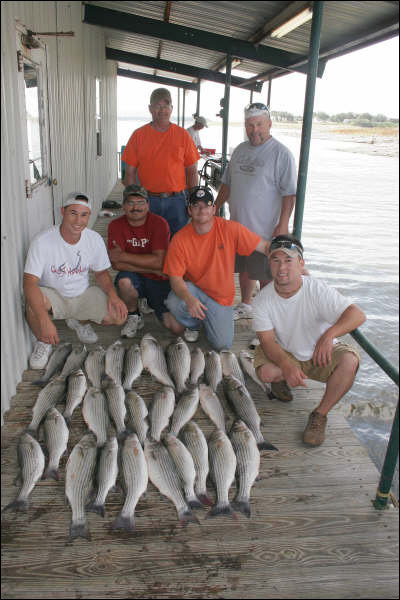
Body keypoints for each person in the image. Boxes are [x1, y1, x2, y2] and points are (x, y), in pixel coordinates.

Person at [252, 234, 366, 447]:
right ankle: (280, 381)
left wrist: (329, 334)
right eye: (276, 260)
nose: (282, 267)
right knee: (266, 373)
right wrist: (286, 365)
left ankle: (319, 415)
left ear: (301, 263)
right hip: (285, 351)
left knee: (350, 361)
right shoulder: (261, 300)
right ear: (269, 264)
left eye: (288, 260)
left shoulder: (317, 289)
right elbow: (267, 342)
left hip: (318, 353)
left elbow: (358, 315)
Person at [24, 192, 128, 368]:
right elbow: (29, 282)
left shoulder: (94, 239)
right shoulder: (42, 241)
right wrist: (44, 320)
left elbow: (101, 274)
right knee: (32, 304)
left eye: (84, 214)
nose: (78, 220)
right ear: (62, 211)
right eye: (73, 213)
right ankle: (43, 341)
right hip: (53, 295)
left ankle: (81, 322)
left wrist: (113, 295)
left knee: (119, 316)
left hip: (82, 294)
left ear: (89, 216)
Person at [215, 102, 297, 324]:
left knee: (266, 274)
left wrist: (283, 224)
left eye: (259, 124)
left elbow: (289, 194)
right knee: (243, 269)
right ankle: (246, 304)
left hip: (264, 230)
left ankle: (270, 316)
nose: (255, 130)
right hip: (237, 227)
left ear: (269, 124)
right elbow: (226, 184)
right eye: (250, 125)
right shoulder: (240, 150)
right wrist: (214, 207)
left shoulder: (281, 154)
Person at [162, 186, 271, 351]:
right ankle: (194, 324)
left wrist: (290, 256)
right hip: (196, 291)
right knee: (174, 300)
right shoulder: (179, 239)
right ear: (189, 210)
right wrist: (190, 300)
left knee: (222, 345)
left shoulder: (230, 228)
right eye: (196, 206)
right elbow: (175, 279)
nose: (201, 210)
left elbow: (264, 246)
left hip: (221, 298)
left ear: (214, 209)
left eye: (206, 205)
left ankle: (207, 319)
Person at [122, 87, 200, 237]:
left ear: (172, 108)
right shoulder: (138, 135)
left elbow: (192, 171)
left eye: (166, 106)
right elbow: (129, 173)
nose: (162, 110)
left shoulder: (183, 135)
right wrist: (135, 201)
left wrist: (194, 200)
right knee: (148, 243)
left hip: (177, 201)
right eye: (158, 105)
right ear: (150, 108)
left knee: (177, 245)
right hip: (147, 200)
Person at [107, 184, 178, 337]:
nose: (136, 207)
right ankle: (134, 316)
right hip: (140, 276)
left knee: (174, 327)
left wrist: (124, 256)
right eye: (131, 203)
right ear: (124, 206)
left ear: (148, 205)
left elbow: (160, 262)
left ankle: (148, 300)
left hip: (158, 279)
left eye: (140, 203)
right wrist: (152, 268)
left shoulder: (159, 223)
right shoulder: (115, 225)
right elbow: (115, 263)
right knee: (124, 282)